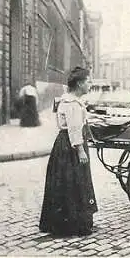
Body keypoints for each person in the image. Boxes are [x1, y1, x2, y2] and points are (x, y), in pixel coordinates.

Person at [39, 66, 98, 237]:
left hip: (65, 145)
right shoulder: (72, 104)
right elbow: (73, 129)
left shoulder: (71, 101)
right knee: (75, 182)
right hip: (71, 147)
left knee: (70, 183)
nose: (90, 84)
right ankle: (73, 224)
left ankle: (69, 221)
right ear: (79, 83)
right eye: (88, 81)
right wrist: (80, 150)